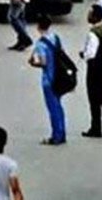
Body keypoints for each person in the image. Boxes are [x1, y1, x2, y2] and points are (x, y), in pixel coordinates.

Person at [28, 15, 66, 145]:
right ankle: (62, 132)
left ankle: (56, 136)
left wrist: (33, 63)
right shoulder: (55, 38)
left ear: (38, 26)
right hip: (59, 77)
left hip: (49, 80)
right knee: (59, 107)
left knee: (53, 108)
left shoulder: (40, 44)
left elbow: (43, 62)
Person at [80, 4, 102, 138]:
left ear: (95, 16)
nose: (88, 16)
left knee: (94, 99)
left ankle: (96, 128)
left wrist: (83, 55)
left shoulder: (93, 33)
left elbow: (91, 53)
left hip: (95, 68)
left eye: (90, 13)